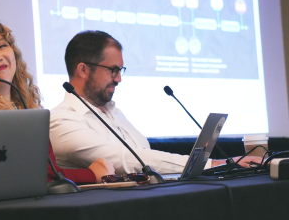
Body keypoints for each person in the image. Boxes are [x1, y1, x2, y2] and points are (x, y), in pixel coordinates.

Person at [50, 30, 262, 175]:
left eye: (120, 70)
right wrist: (215, 164)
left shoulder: (113, 112)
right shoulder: (60, 120)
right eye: (112, 70)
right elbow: (126, 160)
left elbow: (143, 152)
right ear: (83, 69)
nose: (119, 78)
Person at [0, 18, 114, 184]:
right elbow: (35, 174)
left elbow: (48, 170)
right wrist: (91, 174)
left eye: (2, 46)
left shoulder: (26, 106)